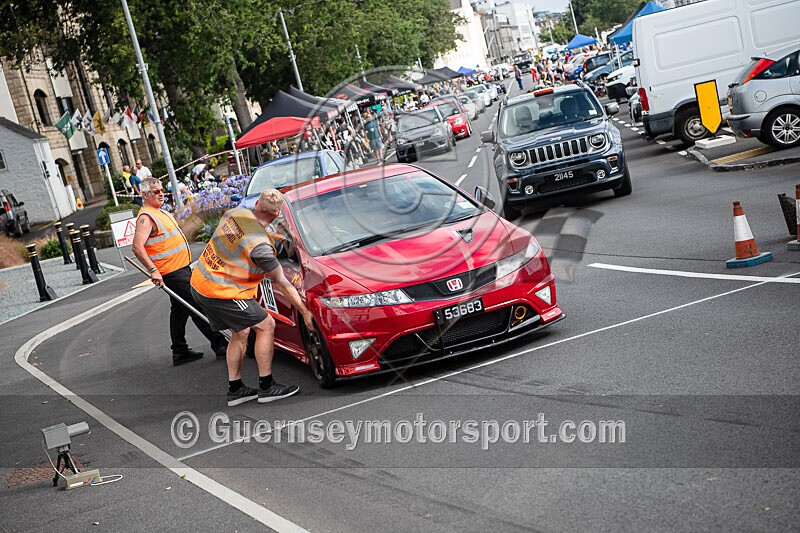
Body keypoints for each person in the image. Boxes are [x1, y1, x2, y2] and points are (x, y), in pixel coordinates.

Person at [190, 189, 315, 407]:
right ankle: (267, 387)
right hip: (222, 291)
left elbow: (240, 238)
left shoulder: (235, 213)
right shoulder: (261, 247)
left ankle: (236, 390)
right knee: (266, 325)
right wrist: (305, 312)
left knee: (241, 332)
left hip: (200, 282)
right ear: (277, 214)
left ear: (256, 204)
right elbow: (282, 283)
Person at [132, 177, 229, 366]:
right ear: (145, 195)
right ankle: (220, 345)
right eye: (156, 192)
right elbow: (137, 247)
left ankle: (179, 350)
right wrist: (153, 270)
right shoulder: (146, 218)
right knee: (196, 305)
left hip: (180, 267)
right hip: (171, 271)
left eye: (162, 190)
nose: (161, 194)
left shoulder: (160, 212)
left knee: (179, 309)